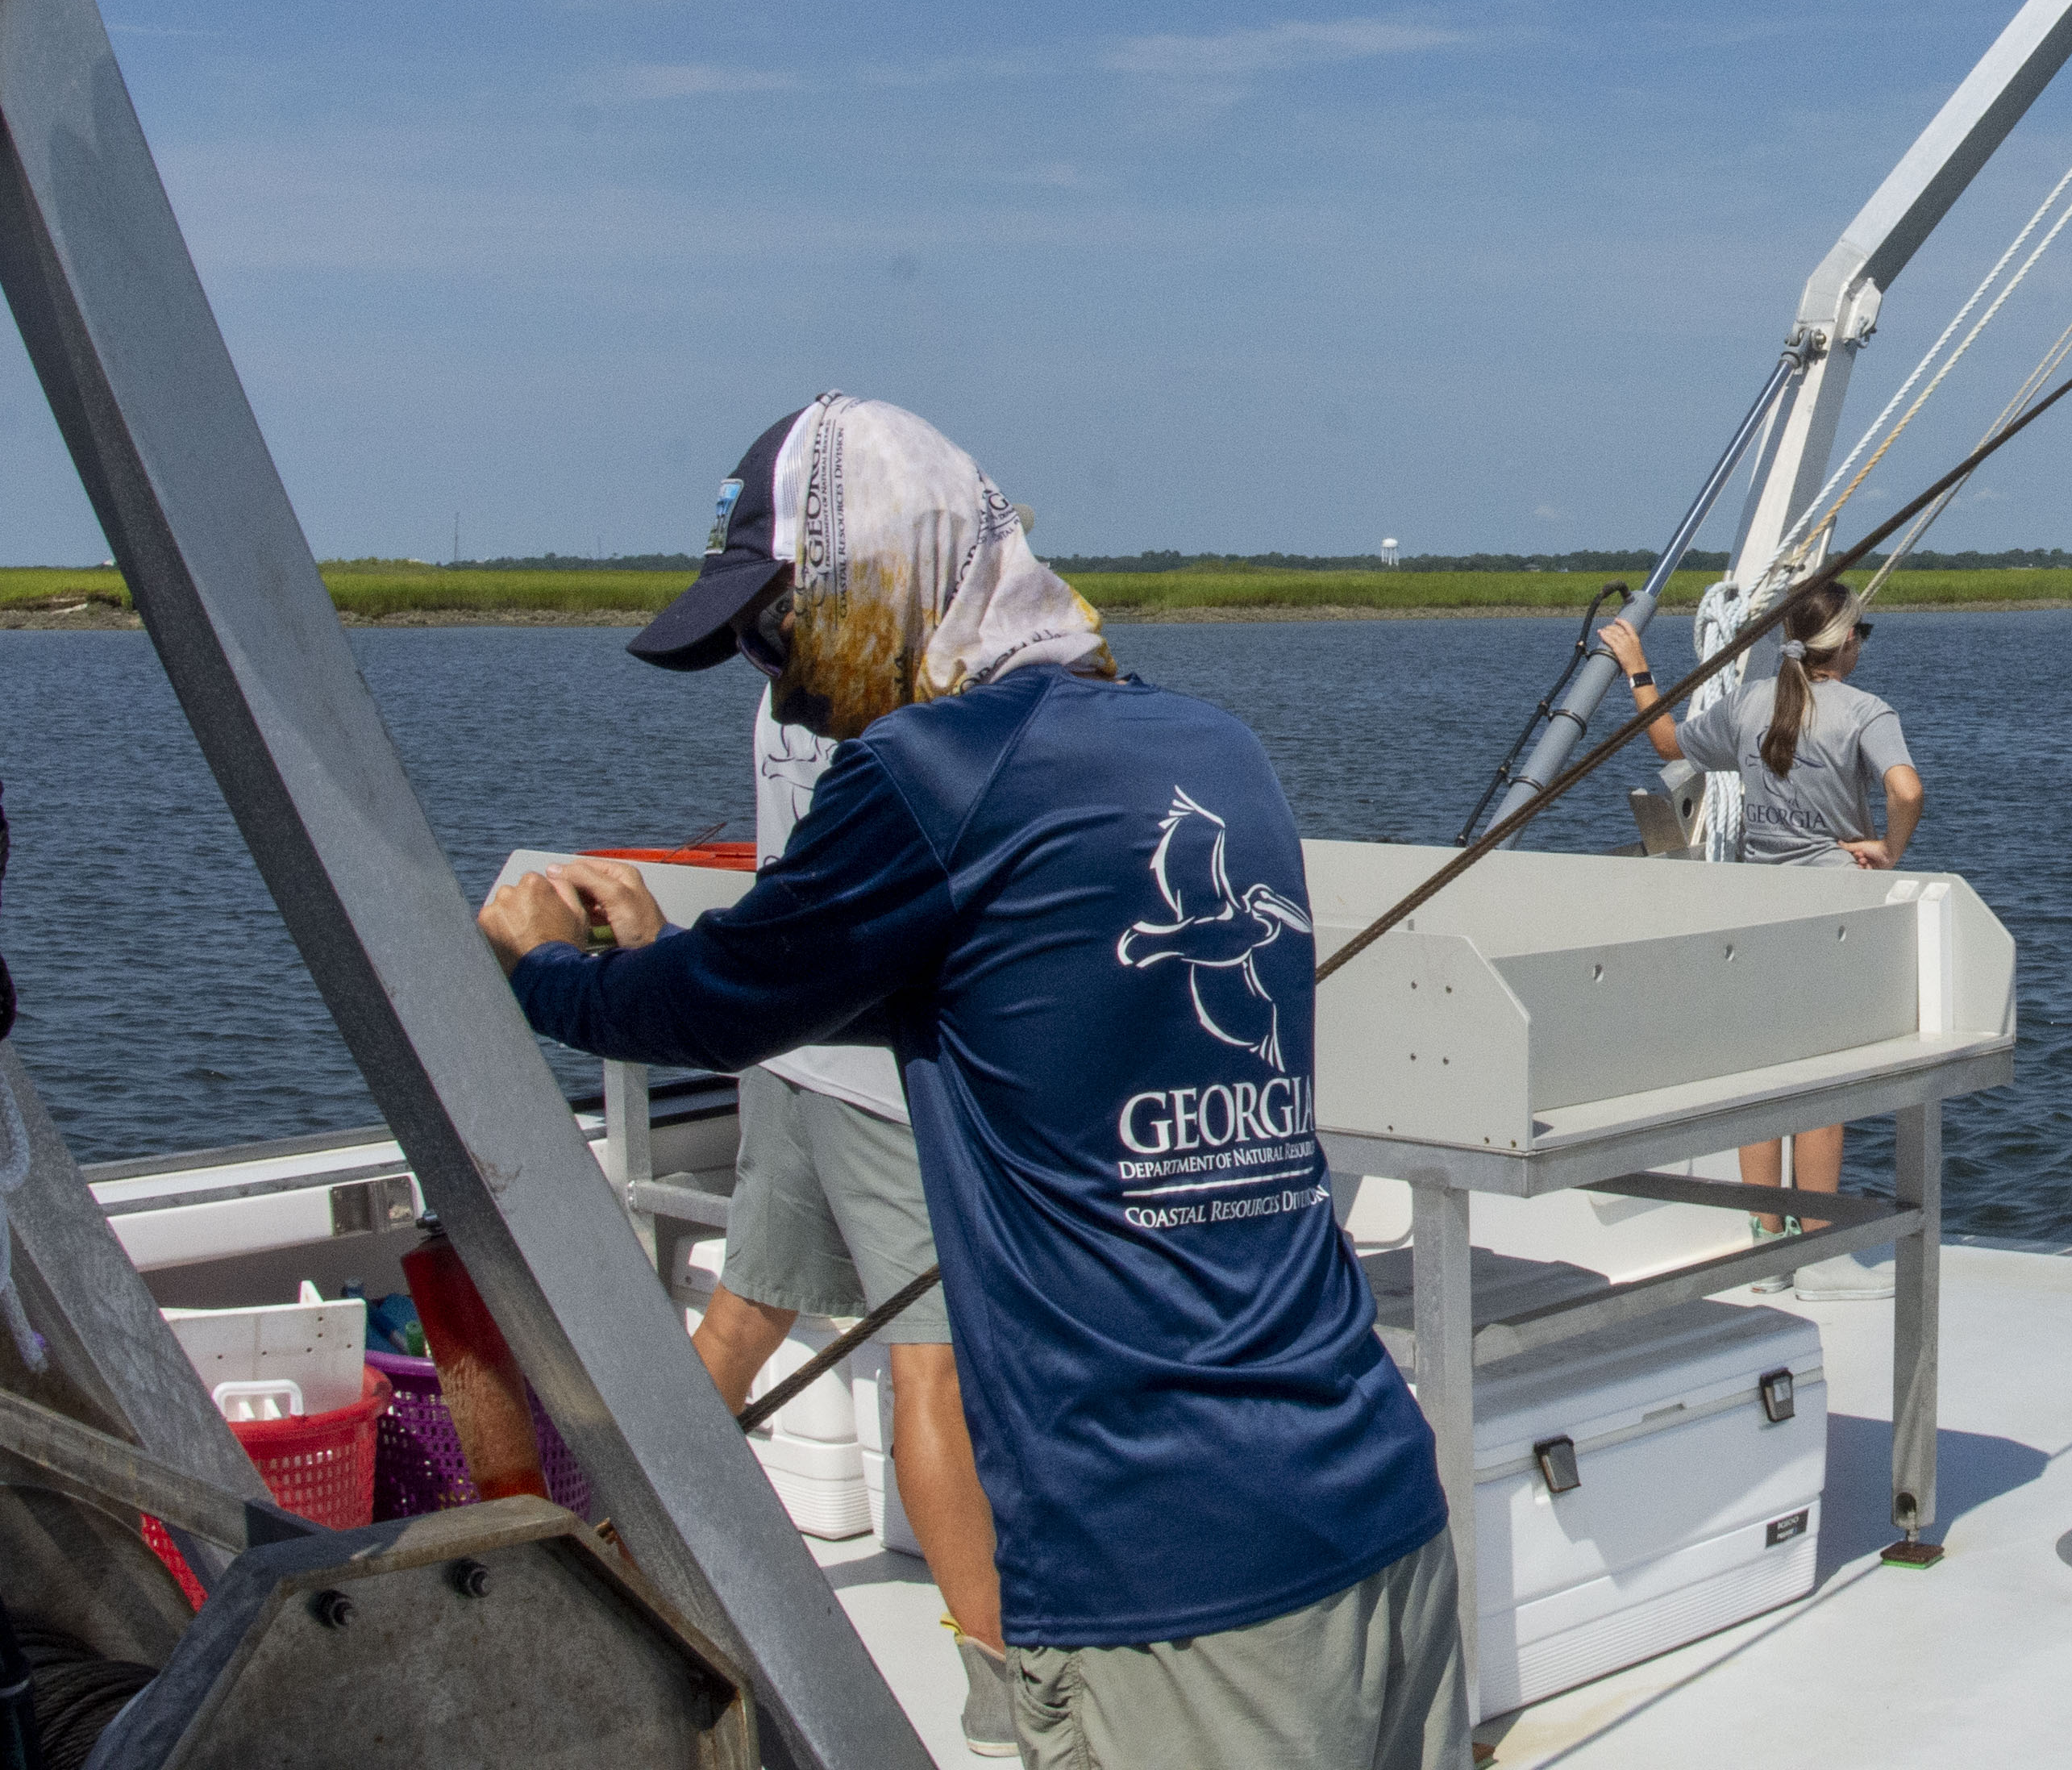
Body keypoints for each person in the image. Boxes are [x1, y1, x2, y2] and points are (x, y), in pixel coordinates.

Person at [480, 396, 1462, 1770]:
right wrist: (672, 957)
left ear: (885, 575)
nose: (780, 684)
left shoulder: (924, 773)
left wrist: (542, 973)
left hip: (1172, 1578)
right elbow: (954, 987)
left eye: (779, 627)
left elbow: (722, 1008)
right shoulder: (1209, 749)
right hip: (1376, 1501)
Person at [624, 409, 1014, 1754]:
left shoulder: (785, 677)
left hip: (789, 1049)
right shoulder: (923, 682)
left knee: (746, 1307)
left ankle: (624, 1567)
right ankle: (1006, 1681)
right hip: (881, 1072)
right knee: (936, 1380)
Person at [1596, 581, 1924, 1251]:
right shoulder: (1866, 712)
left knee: (1763, 1073)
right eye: (1864, 632)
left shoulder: (1749, 705)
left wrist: (1637, 666)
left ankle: (1763, 1236)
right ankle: (1818, 1242)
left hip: (1757, 907)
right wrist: (1889, 850)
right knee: (1822, 1085)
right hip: (1830, 911)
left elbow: (1664, 743)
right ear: (1848, 643)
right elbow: (1906, 789)